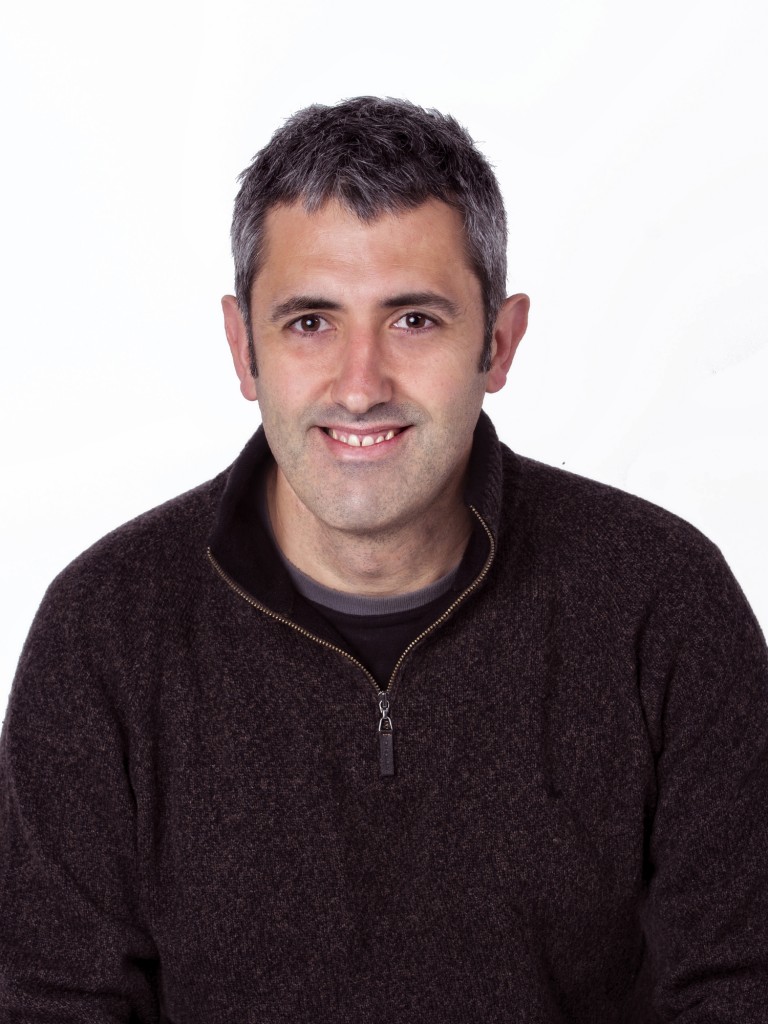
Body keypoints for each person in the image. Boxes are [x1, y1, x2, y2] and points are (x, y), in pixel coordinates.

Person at [1, 96, 767, 1023]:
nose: (360, 387)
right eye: (310, 322)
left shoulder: (664, 604)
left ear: (499, 342)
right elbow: (51, 1004)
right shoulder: (105, 632)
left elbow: (740, 986)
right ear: (244, 348)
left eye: (413, 320)